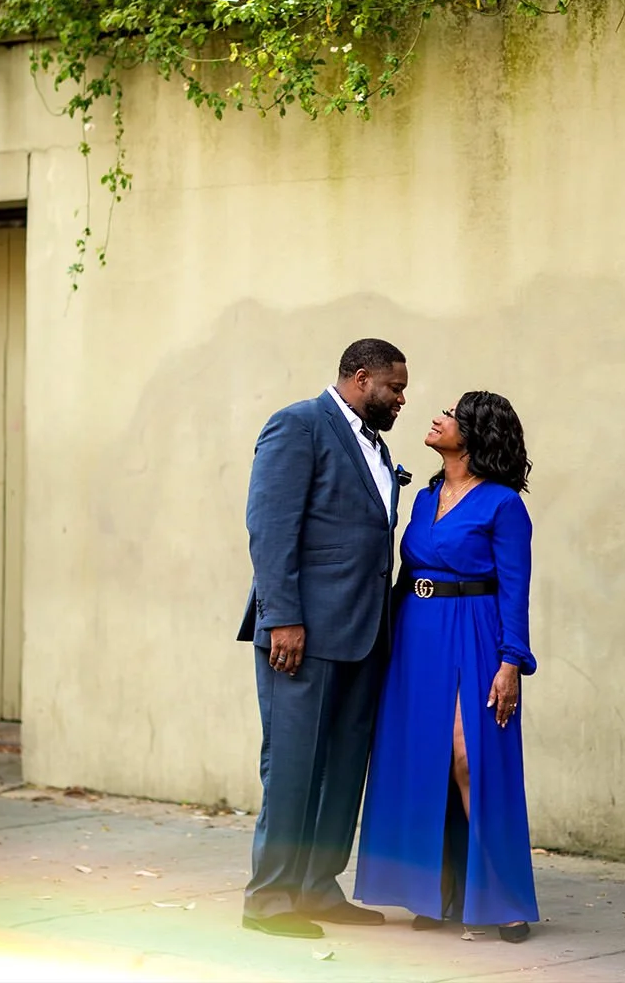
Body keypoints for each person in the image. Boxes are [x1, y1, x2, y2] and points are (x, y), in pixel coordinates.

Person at [237, 338, 410, 939]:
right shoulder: (299, 425)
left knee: (341, 769)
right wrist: (282, 615)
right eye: (395, 389)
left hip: (364, 634)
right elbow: (269, 525)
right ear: (362, 379)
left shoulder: (376, 446)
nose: (402, 400)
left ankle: (315, 885)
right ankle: (269, 899)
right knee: (292, 765)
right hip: (302, 634)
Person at [355, 391, 539, 941]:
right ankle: (433, 892)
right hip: (416, 633)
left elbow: (516, 589)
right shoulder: (425, 495)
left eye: (453, 415)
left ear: (476, 433)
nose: (438, 417)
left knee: (469, 756)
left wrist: (511, 662)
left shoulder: (504, 505)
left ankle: (503, 898)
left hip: (476, 631)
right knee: (421, 758)